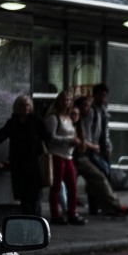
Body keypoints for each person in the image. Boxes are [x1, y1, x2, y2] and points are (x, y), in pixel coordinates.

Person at [0, 94, 49, 216]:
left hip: (34, 163)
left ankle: (37, 219)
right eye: (21, 105)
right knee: (23, 196)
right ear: (17, 107)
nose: (24, 108)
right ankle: (27, 218)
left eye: (27, 105)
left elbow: (47, 137)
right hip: (18, 164)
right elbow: (0, 136)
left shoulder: (36, 121)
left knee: (35, 195)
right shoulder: (13, 122)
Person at [73, 90, 128, 217]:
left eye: (88, 105)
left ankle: (111, 206)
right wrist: (93, 147)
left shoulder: (90, 115)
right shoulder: (76, 118)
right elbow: (77, 138)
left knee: (99, 179)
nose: (87, 108)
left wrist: (103, 145)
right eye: (85, 106)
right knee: (97, 179)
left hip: (81, 155)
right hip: (74, 156)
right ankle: (111, 206)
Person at [44, 92, 85, 225]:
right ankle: (55, 214)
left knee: (72, 186)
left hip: (68, 156)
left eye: (68, 100)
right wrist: (69, 140)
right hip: (57, 155)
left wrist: (76, 142)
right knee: (56, 186)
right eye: (63, 100)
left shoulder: (68, 118)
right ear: (58, 101)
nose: (66, 103)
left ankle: (72, 213)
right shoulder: (53, 118)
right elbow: (50, 138)